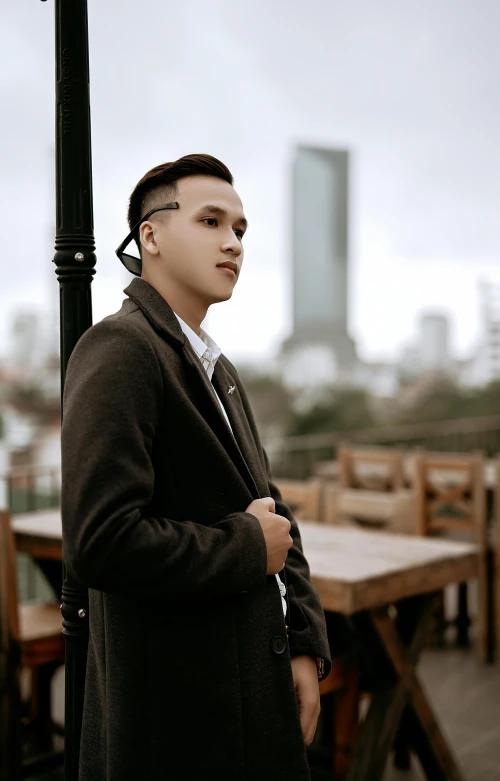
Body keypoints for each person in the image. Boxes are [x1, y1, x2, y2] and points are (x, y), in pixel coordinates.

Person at [61, 153, 331, 781]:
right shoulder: (121, 349)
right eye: (211, 221)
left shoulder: (218, 368)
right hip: (178, 716)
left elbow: (272, 511)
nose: (233, 242)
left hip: (245, 688)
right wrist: (244, 547)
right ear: (150, 236)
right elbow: (100, 543)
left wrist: (306, 643)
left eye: (239, 229)